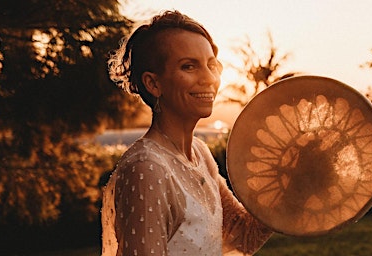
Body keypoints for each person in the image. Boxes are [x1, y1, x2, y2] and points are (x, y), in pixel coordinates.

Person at [101, 10, 273, 256]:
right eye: (189, 66)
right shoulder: (147, 169)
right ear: (153, 84)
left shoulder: (200, 154)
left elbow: (242, 234)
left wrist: (287, 178)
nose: (209, 78)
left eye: (211, 65)